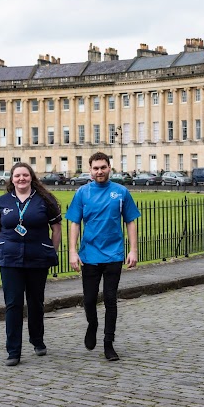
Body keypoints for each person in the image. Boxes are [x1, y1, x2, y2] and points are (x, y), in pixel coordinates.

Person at [66, 152, 140, 361]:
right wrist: (72, 251)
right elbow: (74, 222)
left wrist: (132, 249)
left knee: (110, 300)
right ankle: (93, 324)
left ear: (110, 168)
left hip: (114, 254)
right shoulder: (82, 193)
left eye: (103, 167)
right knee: (89, 300)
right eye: (96, 168)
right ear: (90, 170)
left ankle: (108, 343)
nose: (99, 171)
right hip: (89, 255)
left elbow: (131, 221)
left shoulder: (121, 192)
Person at [0, 162, 62, 366]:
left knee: (36, 301)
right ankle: (13, 351)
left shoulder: (44, 201)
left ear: (31, 177)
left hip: (37, 257)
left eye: (25, 175)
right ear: (11, 179)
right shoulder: (3, 202)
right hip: (10, 259)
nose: (21, 179)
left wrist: (51, 250)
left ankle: (37, 340)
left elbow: (56, 229)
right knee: (13, 304)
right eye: (17, 175)